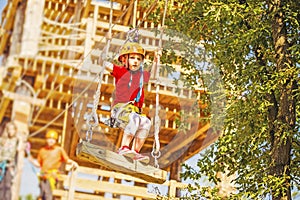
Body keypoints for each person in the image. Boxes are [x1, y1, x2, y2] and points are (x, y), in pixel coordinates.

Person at [104, 42, 153, 164]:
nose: (135, 61)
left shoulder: (141, 76)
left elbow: (154, 75)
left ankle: (135, 151)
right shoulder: (120, 71)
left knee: (146, 122)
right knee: (135, 119)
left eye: (138, 59)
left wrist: (157, 59)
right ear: (124, 59)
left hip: (135, 110)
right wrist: (107, 43)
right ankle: (124, 147)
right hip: (121, 109)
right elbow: (104, 63)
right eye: (132, 58)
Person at [29, 129, 78, 200]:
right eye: (49, 139)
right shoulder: (42, 150)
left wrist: (73, 163)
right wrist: (31, 160)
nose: (51, 141)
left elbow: (66, 160)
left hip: (52, 176)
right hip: (43, 176)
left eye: (53, 139)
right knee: (42, 196)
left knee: (49, 195)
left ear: (56, 140)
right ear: (46, 139)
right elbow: (39, 164)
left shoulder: (59, 150)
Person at [0, 121, 20, 200]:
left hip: (10, 165)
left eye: (12, 130)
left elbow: (18, 149)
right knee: (1, 185)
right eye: (9, 129)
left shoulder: (16, 140)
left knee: (8, 185)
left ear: (15, 131)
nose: (10, 131)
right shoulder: (2, 140)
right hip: (2, 164)